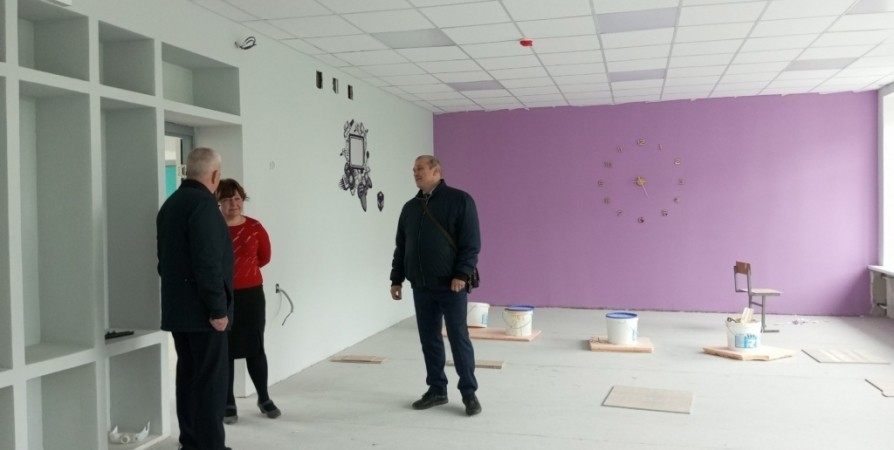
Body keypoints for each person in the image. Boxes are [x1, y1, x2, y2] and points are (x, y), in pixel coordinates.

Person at [390, 155, 482, 416]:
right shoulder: (410, 208)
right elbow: (402, 247)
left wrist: (461, 274)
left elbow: (471, 243)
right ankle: (437, 390)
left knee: (458, 338)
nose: (415, 173)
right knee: (429, 340)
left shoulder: (460, 200)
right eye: (413, 169)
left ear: (436, 171)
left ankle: (469, 393)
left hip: (451, 286)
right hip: (421, 286)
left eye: (420, 168)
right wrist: (396, 278)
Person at [157, 147, 234, 450]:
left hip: (179, 310)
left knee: (188, 377)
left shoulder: (171, 204)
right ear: (215, 175)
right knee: (211, 383)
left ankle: (191, 442)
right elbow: (207, 263)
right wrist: (217, 309)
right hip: (204, 314)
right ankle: (211, 445)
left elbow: (164, 262)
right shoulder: (203, 206)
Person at [215, 178, 281, 424]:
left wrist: (244, 271)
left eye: (237, 198)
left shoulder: (254, 227)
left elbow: (264, 257)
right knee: (225, 350)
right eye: (227, 199)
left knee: (256, 347)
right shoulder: (213, 228)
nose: (233, 204)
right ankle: (228, 402)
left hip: (251, 295)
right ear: (218, 202)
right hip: (222, 296)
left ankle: (264, 397)